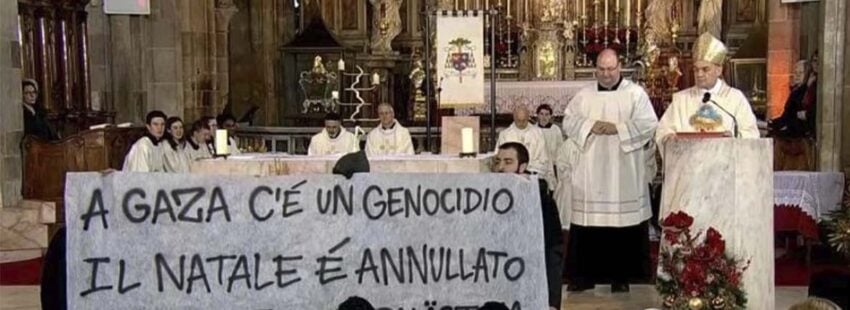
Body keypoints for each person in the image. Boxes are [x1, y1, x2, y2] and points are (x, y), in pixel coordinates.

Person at [561, 48, 658, 293]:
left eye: (611, 69)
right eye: (602, 69)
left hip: (624, 170)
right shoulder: (584, 95)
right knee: (588, 222)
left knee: (623, 223)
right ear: (596, 69)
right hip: (591, 171)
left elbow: (649, 123)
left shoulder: (635, 94)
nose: (606, 74)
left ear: (619, 67)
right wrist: (591, 125)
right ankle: (584, 277)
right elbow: (568, 121)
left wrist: (618, 129)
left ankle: (621, 277)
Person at [655, 32, 760, 151]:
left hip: (724, 161)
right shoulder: (681, 100)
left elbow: (751, 134)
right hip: (690, 161)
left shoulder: (735, 99)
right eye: (696, 70)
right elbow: (662, 131)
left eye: (705, 69)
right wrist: (668, 139)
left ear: (719, 70)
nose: (699, 74)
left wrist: (734, 139)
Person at [493, 142, 563, 310]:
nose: (501, 168)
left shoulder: (542, 200)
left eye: (508, 162)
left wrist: (552, 301)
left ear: (522, 166)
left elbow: (553, 251)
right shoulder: (488, 196)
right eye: (498, 162)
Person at [495, 105, 551, 180]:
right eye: (519, 120)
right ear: (514, 118)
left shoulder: (538, 133)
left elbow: (543, 159)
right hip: (509, 176)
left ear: (528, 118)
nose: (521, 123)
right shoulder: (505, 134)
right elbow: (498, 158)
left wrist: (526, 170)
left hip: (532, 174)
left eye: (524, 120)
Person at [770, 60, 810, 137]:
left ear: (806, 74)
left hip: (796, 134)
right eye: (796, 72)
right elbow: (786, 115)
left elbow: (791, 116)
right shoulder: (795, 91)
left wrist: (774, 125)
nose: (797, 75)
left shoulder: (803, 93)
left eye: (800, 73)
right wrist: (772, 123)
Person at [537, 104, 564, 187]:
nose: (544, 117)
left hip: (553, 163)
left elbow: (560, 147)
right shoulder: (533, 129)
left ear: (550, 116)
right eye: (541, 114)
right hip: (538, 164)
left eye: (547, 114)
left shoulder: (555, 129)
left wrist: (556, 162)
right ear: (538, 115)